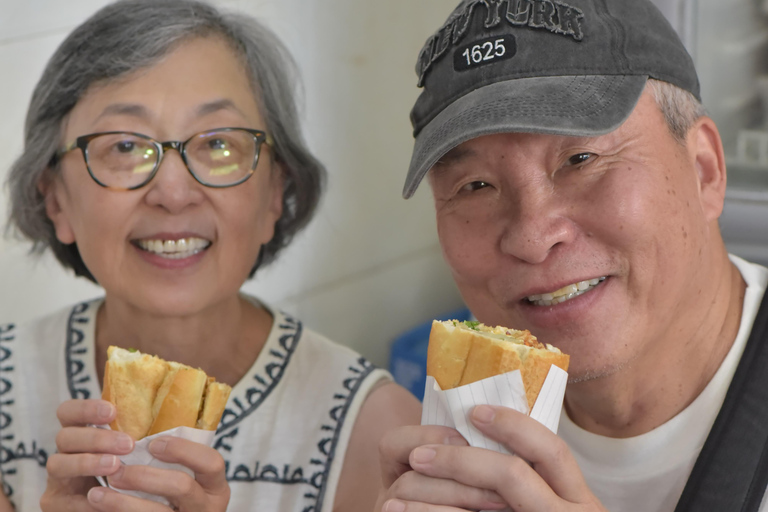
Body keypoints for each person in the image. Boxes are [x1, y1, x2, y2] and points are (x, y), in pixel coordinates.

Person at [0, 1, 421, 511]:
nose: (173, 192)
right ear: (55, 199)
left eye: (219, 144)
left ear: (274, 195)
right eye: (125, 146)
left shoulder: (380, 433)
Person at [377, 0, 768, 511]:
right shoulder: (462, 427)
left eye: (581, 159)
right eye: (475, 185)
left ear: (704, 171)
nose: (532, 236)